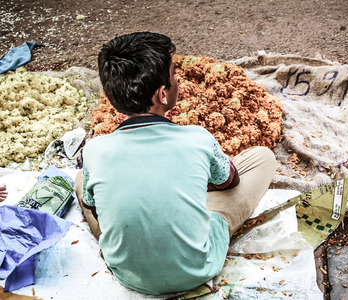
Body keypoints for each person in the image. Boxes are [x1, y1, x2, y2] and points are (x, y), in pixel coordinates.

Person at [74, 32, 277, 295]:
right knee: (262, 157)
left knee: (81, 180)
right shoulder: (197, 138)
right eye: (173, 76)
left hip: (128, 274)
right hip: (197, 268)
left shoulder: (95, 149)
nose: (177, 82)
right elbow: (230, 181)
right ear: (162, 95)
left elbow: (95, 208)